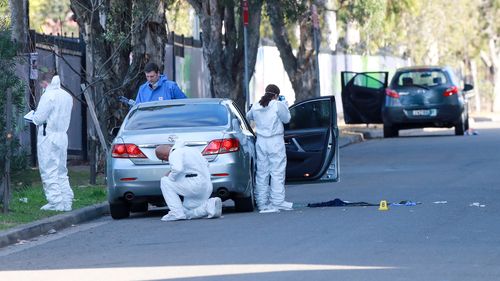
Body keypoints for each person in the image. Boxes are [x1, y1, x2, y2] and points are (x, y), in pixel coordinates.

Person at [246, 84, 292, 213]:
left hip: (261, 142)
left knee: (262, 173)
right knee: (277, 172)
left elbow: (248, 116)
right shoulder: (278, 105)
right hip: (275, 141)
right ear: (276, 95)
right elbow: (287, 119)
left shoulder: (256, 106)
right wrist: (285, 105)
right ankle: (277, 202)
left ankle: (262, 203)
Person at [32, 75, 74, 211]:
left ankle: (56, 202)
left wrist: (33, 117)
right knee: (61, 170)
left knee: (48, 169)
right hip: (62, 135)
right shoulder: (67, 96)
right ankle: (67, 200)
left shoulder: (48, 96)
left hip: (48, 136)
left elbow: (39, 118)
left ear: (44, 83)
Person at [155, 143, 222, 221]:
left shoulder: (175, 153)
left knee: (164, 181)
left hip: (194, 186)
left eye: (163, 160)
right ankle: (209, 207)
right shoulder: (192, 150)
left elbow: (177, 169)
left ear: (165, 157)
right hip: (206, 187)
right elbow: (206, 164)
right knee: (187, 211)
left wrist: (170, 177)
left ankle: (176, 213)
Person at [119, 62, 187, 106]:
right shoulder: (142, 89)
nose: (149, 79)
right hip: (149, 125)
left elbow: (185, 103)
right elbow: (137, 108)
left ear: (158, 73)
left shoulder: (171, 87)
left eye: (152, 76)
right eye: (147, 76)